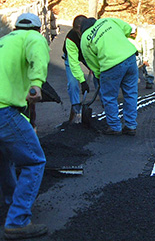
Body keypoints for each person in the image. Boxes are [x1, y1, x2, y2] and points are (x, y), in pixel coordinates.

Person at [0, 13, 50, 239]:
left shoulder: (4, 40)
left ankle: (11, 203)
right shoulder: (32, 37)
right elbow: (38, 57)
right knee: (34, 160)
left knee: (5, 159)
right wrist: (37, 84)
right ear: (39, 29)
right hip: (3, 110)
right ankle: (17, 221)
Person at [80, 17, 138, 136]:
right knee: (131, 93)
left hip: (110, 66)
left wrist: (98, 76)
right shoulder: (108, 20)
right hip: (130, 58)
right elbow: (128, 29)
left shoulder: (85, 38)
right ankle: (131, 125)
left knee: (109, 97)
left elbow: (91, 62)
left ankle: (115, 127)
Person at [62, 15, 92, 123]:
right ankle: (76, 108)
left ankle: (105, 103)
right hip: (71, 56)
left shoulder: (92, 31)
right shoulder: (71, 38)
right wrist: (83, 81)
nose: (79, 34)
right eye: (77, 32)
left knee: (100, 76)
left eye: (80, 31)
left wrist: (94, 67)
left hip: (87, 55)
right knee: (73, 83)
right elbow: (74, 63)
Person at [128, 24, 155, 89]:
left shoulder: (143, 35)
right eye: (130, 34)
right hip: (136, 49)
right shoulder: (127, 35)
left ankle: (149, 81)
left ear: (136, 31)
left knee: (148, 65)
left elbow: (146, 48)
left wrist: (145, 59)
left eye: (133, 33)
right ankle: (132, 82)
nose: (132, 35)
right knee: (134, 65)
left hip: (148, 48)